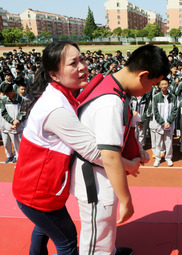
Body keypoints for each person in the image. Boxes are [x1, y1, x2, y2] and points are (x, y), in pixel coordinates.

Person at [70, 44, 170, 254]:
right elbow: (109, 157)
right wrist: (127, 200)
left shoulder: (111, 84)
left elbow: (121, 129)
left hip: (101, 176)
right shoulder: (111, 102)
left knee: (105, 233)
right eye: (152, 84)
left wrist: (138, 148)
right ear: (142, 75)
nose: (150, 89)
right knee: (96, 242)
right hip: (96, 182)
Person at [11, 41, 103, 255]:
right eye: (73, 63)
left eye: (82, 59)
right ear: (54, 74)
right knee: (68, 241)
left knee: (43, 229)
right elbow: (94, 151)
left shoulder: (61, 95)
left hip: (38, 189)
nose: (82, 66)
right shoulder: (56, 108)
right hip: (37, 193)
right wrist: (127, 164)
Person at [153, 78, 178, 167]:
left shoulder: (173, 97)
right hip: (159, 124)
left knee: (168, 142)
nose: (164, 86)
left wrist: (169, 121)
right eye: (162, 84)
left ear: (168, 85)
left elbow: (175, 110)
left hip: (169, 124)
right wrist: (163, 122)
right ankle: (157, 158)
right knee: (158, 142)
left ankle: (168, 158)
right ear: (159, 85)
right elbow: (155, 112)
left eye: (165, 84)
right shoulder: (156, 97)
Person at [0, 82, 27, 163]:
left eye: (7, 94)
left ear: (12, 90)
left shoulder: (22, 100)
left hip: (20, 126)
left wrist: (18, 120)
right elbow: (4, 112)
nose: (6, 96)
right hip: (10, 126)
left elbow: (24, 111)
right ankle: (14, 157)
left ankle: (21, 158)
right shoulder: (4, 100)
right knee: (12, 144)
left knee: (21, 145)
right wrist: (12, 121)